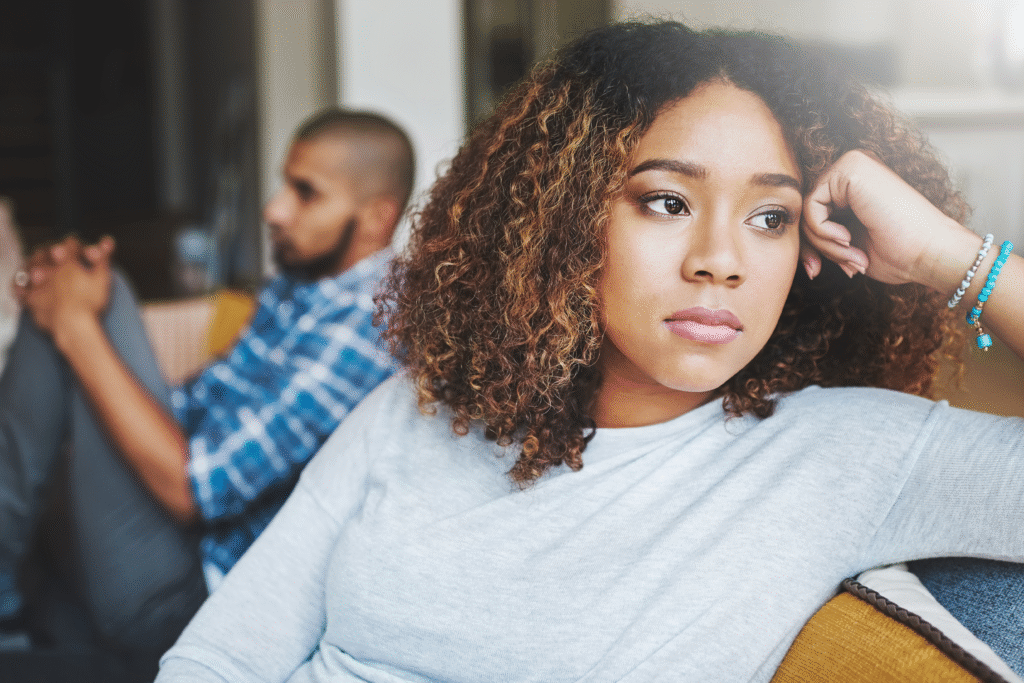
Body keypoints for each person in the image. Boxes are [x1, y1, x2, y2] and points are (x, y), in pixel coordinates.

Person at [156, 21, 1023, 682]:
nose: (720, 259)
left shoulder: (848, 456)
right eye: (666, 201)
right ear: (565, 221)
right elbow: (219, 658)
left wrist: (954, 258)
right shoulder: (411, 412)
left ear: (808, 251)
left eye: (771, 217)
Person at [0, 110, 414, 663]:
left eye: (306, 193)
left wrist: (76, 326)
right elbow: (193, 406)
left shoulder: (368, 325)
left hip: (196, 594)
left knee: (90, 303)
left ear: (377, 217)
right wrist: (74, 316)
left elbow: (197, 492)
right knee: (84, 286)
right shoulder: (304, 286)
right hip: (181, 539)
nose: (274, 209)